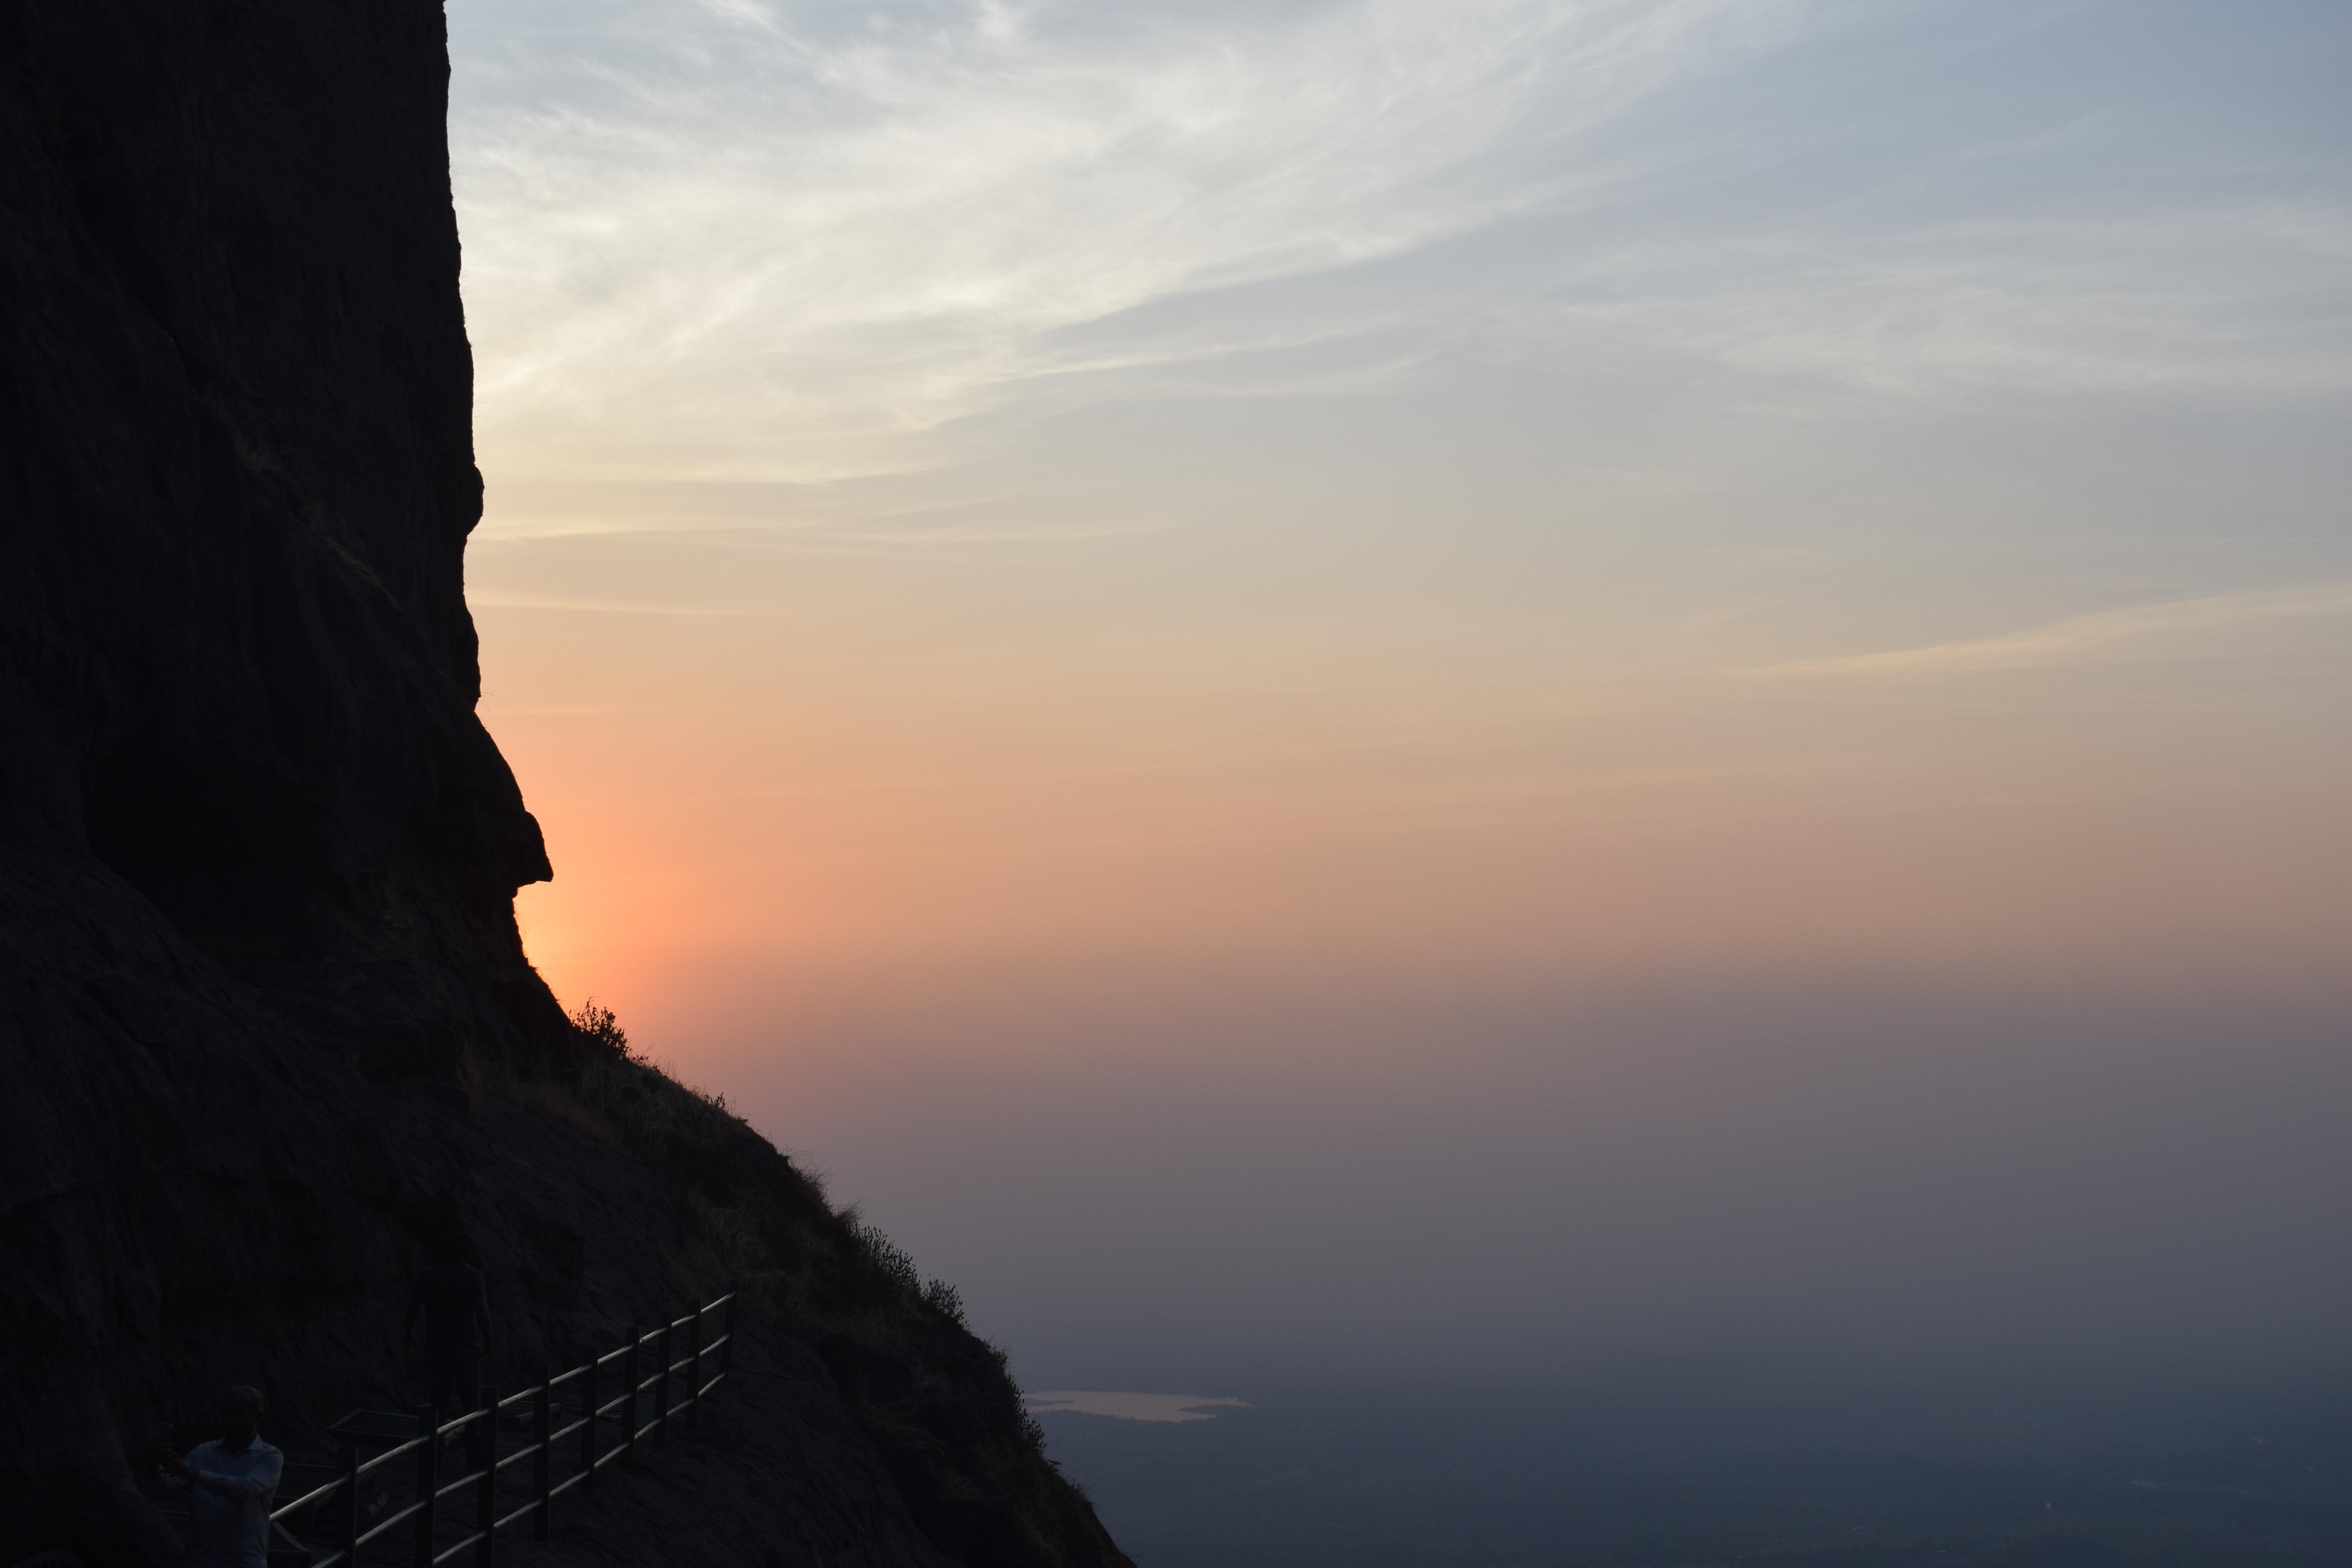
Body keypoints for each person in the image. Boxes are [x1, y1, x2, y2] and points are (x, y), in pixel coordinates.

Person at [160, 1385, 282, 1568]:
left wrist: (195, 1474)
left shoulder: (270, 1456)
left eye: (238, 1413)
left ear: (258, 1418)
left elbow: (247, 1488)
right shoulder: (203, 1452)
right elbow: (169, 1491)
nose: (229, 1419)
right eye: (227, 1412)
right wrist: (155, 1465)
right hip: (199, 1560)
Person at [404, 1229, 492, 1416]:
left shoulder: (428, 1276)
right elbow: (483, 1313)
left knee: (438, 1404)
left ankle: (437, 1444)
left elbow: (413, 1309)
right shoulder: (474, 1276)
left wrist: (407, 1335)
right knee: (470, 1403)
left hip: (436, 1346)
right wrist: (489, 1342)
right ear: (467, 1252)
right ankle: (473, 1444)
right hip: (465, 1346)